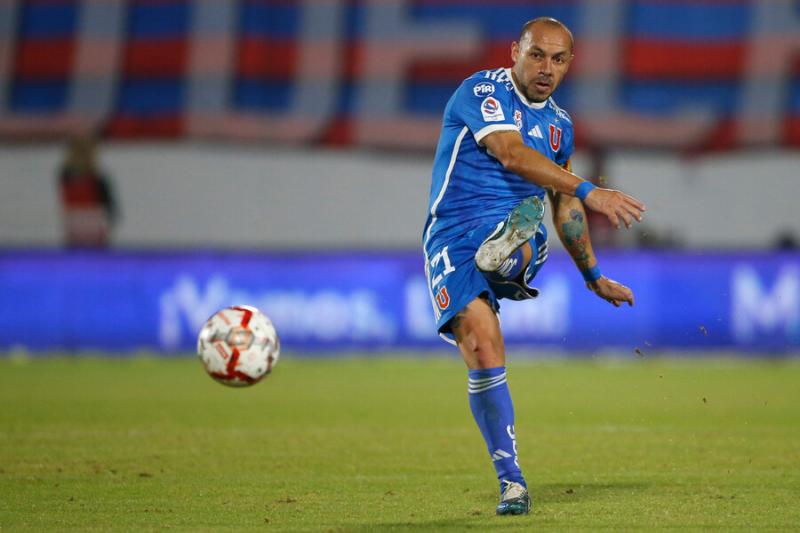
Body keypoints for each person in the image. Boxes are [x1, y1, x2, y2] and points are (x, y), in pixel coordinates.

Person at [422, 17, 646, 516]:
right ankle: (512, 484)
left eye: (558, 59)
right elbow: (510, 153)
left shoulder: (559, 126)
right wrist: (591, 189)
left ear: (569, 64)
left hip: (517, 228)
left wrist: (593, 276)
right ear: (514, 53)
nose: (546, 68)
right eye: (537, 55)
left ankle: (507, 250)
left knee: (530, 223)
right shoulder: (482, 90)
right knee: (482, 347)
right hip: (452, 237)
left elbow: (564, 205)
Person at [58, 135, 119, 247]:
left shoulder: (66, 177)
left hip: (79, 227)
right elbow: (111, 208)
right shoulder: (97, 180)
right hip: (87, 228)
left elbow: (110, 208)